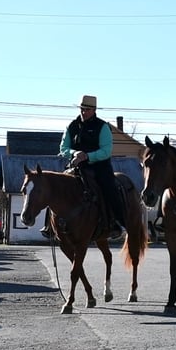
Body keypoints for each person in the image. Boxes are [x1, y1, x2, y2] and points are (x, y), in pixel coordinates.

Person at [41, 94, 126, 240]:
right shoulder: (72, 126)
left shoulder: (102, 127)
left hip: (99, 167)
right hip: (76, 166)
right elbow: (63, 147)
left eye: (87, 109)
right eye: (82, 108)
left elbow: (106, 151)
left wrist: (87, 156)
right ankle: (49, 226)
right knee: (56, 187)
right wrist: (75, 153)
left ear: (94, 110)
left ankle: (117, 223)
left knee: (109, 188)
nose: (83, 112)